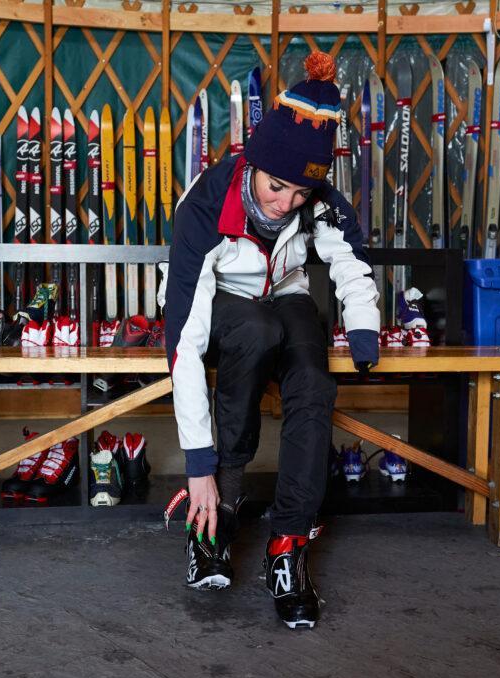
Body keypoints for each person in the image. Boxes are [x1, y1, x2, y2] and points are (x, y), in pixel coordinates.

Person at [159, 51, 380, 629]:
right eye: (277, 187)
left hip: (287, 293)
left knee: (313, 376)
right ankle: (219, 513)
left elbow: (352, 262)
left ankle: (288, 546)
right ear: (253, 162)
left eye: (299, 195)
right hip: (226, 300)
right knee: (254, 335)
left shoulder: (316, 200)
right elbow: (184, 343)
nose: (285, 204)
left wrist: (362, 324)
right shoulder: (207, 207)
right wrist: (199, 465)